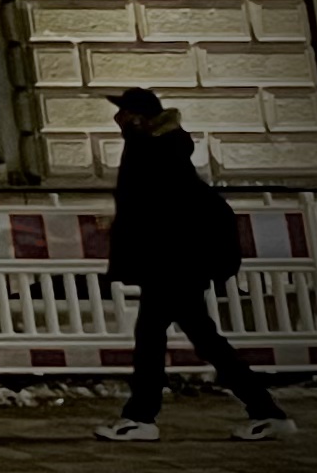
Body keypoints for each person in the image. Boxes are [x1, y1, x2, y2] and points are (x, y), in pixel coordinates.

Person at [95, 85, 294, 443]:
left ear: (139, 116)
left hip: (174, 263)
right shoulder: (155, 148)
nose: (117, 118)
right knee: (199, 339)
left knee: (154, 337)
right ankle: (266, 411)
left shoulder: (155, 151)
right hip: (175, 263)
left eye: (123, 111)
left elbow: (160, 213)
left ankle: (142, 417)